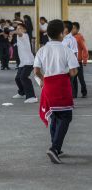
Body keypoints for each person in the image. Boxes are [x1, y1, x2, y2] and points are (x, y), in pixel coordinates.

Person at [34, 19, 79, 164]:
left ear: (47, 34)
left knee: (54, 115)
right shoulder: (66, 50)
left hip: (47, 86)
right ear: (62, 34)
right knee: (66, 117)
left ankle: (56, 147)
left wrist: (43, 80)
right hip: (61, 86)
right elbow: (73, 72)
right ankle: (54, 148)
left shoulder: (42, 50)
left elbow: (36, 71)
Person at [11, 23, 37, 103]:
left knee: (24, 77)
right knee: (17, 78)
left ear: (25, 30)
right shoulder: (18, 37)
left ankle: (32, 96)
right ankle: (22, 92)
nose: (18, 30)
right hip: (23, 63)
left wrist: (14, 32)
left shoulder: (25, 35)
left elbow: (19, 33)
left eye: (20, 28)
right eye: (17, 28)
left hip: (29, 62)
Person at [62, 20, 79, 98]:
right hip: (62, 65)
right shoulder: (61, 38)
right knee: (64, 83)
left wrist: (73, 67)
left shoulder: (71, 39)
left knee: (69, 83)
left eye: (62, 26)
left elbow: (74, 53)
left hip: (69, 65)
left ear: (66, 29)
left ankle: (70, 100)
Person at [71, 22, 88, 98]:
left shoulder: (79, 37)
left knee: (81, 78)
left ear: (77, 29)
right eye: (71, 28)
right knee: (73, 78)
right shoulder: (70, 38)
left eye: (74, 28)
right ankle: (74, 94)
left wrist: (84, 60)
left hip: (78, 61)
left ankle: (84, 91)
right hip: (72, 62)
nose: (72, 29)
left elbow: (84, 49)